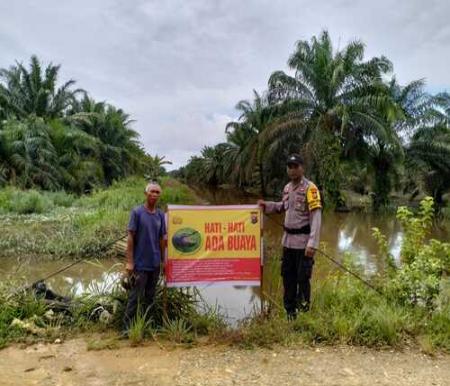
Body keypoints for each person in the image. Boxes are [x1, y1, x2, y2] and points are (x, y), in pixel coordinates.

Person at [258, 154, 322, 319]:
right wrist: (267, 206)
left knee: (303, 280)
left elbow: (316, 217)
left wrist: (312, 244)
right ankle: (290, 315)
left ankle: (304, 315)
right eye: (289, 167)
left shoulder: (310, 188)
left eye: (295, 166)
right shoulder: (287, 188)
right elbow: (282, 207)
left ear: (302, 167)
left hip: (303, 245)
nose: (292, 170)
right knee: (288, 279)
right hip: (288, 243)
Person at [122, 182, 167, 334]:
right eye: (152, 191)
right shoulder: (137, 212)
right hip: (140, 265)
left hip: (154, 264)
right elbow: (130, 237)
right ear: (146, 193)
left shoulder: (160, 215)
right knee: (135, 297)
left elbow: (162, 239)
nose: (154, 194)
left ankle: (147, 325)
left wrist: (163, 261)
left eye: (157, 192)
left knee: (150, 297)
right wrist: (129, 262)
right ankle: (127, 328)